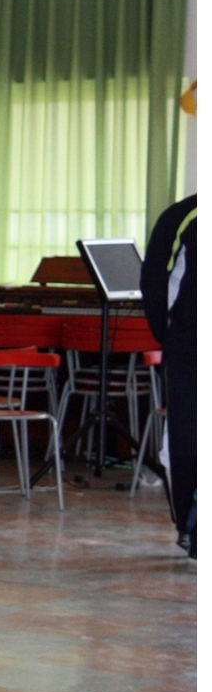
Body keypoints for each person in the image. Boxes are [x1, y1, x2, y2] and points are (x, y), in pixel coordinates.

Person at [140, 194, 196, 560]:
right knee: (187, 442)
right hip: (192, 348)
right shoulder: (186, 216)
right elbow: (156, 282)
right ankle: (191, 526)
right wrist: (174, 337)